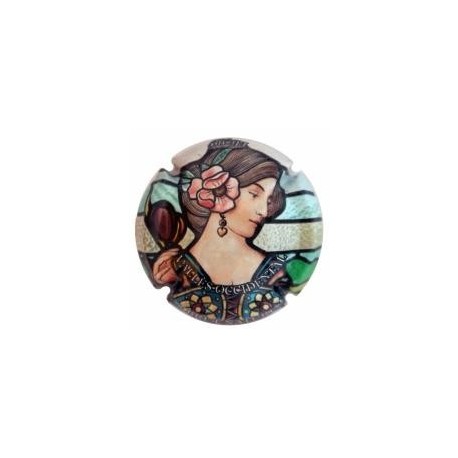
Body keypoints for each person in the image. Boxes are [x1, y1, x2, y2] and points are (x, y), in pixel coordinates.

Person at [148, 139, 292, 324]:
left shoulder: (277, 272)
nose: (264, 211)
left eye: (269, 200)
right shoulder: (174, 270)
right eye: (254, 194)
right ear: (220, 191)